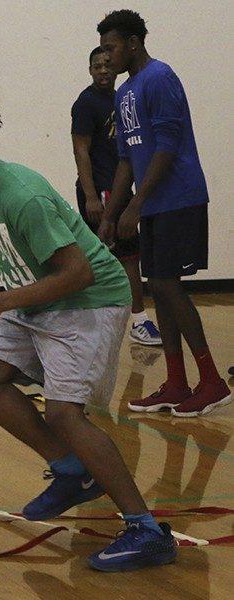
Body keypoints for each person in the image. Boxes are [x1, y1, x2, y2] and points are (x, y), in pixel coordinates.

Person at [0, 89, 176, 572]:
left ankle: (145, 528)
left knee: (65, 413)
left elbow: (80, 274)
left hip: (88, 300)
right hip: (36, 296)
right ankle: (72, 470)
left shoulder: (24, 195)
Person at [97, 10, 230, 417]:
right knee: (159, 285)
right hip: (151, 203)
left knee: (168, 285)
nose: (107, 56)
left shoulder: (161, 77)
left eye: (112, 47)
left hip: (179, 198)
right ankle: (176, 382)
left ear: (134, 43)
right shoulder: (123, 93)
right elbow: (125, 159)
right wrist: (110, 213)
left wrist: (136, 205)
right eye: (102, 49)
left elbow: (168, 145)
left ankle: (211, 381)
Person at [71, 46, 160, 345]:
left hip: (121, 188)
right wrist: (91, 196)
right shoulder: (85, 104)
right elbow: (81, 150)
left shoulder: (124, 97)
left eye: (108, 64)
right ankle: (137, 321)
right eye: (97, 66)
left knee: (126, 256)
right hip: (101, 192)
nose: (104, 70)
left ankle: (129, 321)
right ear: (90, 70)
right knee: (117, 257)